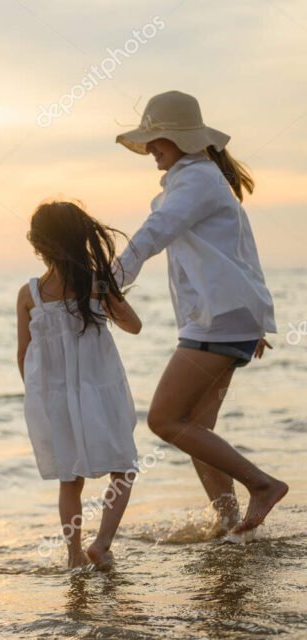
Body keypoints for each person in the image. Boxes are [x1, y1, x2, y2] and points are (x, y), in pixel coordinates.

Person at [113, 90, 286, 535]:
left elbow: (157, 231)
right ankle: (227, 523)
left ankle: (262, 486)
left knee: (164, 420)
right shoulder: (199, 179)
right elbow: (240, 255)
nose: (151, 148)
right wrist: (255, 319)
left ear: (182, 138)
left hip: (219, 319)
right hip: (226, 318)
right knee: (195, 429)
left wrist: (110, 279)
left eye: (158, 139)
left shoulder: (196, 180)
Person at [17, 201, 142, 569]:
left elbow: (22, 355)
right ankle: (101, 544)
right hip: (101, 389)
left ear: (38, 244)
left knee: (69, 480)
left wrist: (39, 397)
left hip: (53, 397)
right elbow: (134, 326)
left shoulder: (30, 294)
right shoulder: (96, 284)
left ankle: (73, 555)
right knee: (123, 467)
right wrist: (111, 296)